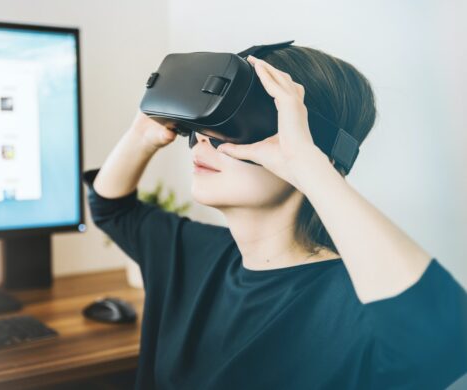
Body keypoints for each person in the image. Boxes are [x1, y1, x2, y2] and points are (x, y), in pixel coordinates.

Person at [81, 45, 467, 389]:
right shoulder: (193, 255)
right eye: (203, 124)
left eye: (232, 126)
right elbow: (111, 208)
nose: (202, 138)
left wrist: (310, 166)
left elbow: (445, 342)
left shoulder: (355, 305)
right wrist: (143, 132)